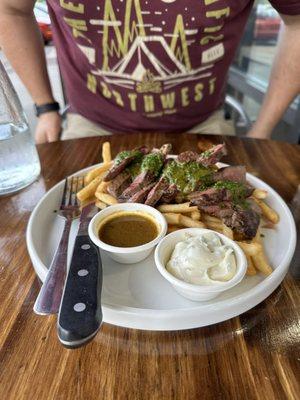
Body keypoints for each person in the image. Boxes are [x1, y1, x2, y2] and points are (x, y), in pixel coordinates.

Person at [0, 1, 300, 143]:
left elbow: (296, 21)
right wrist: (45, 106)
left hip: (204, 126)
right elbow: (10, 9)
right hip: (90, 126)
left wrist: (262, 129)